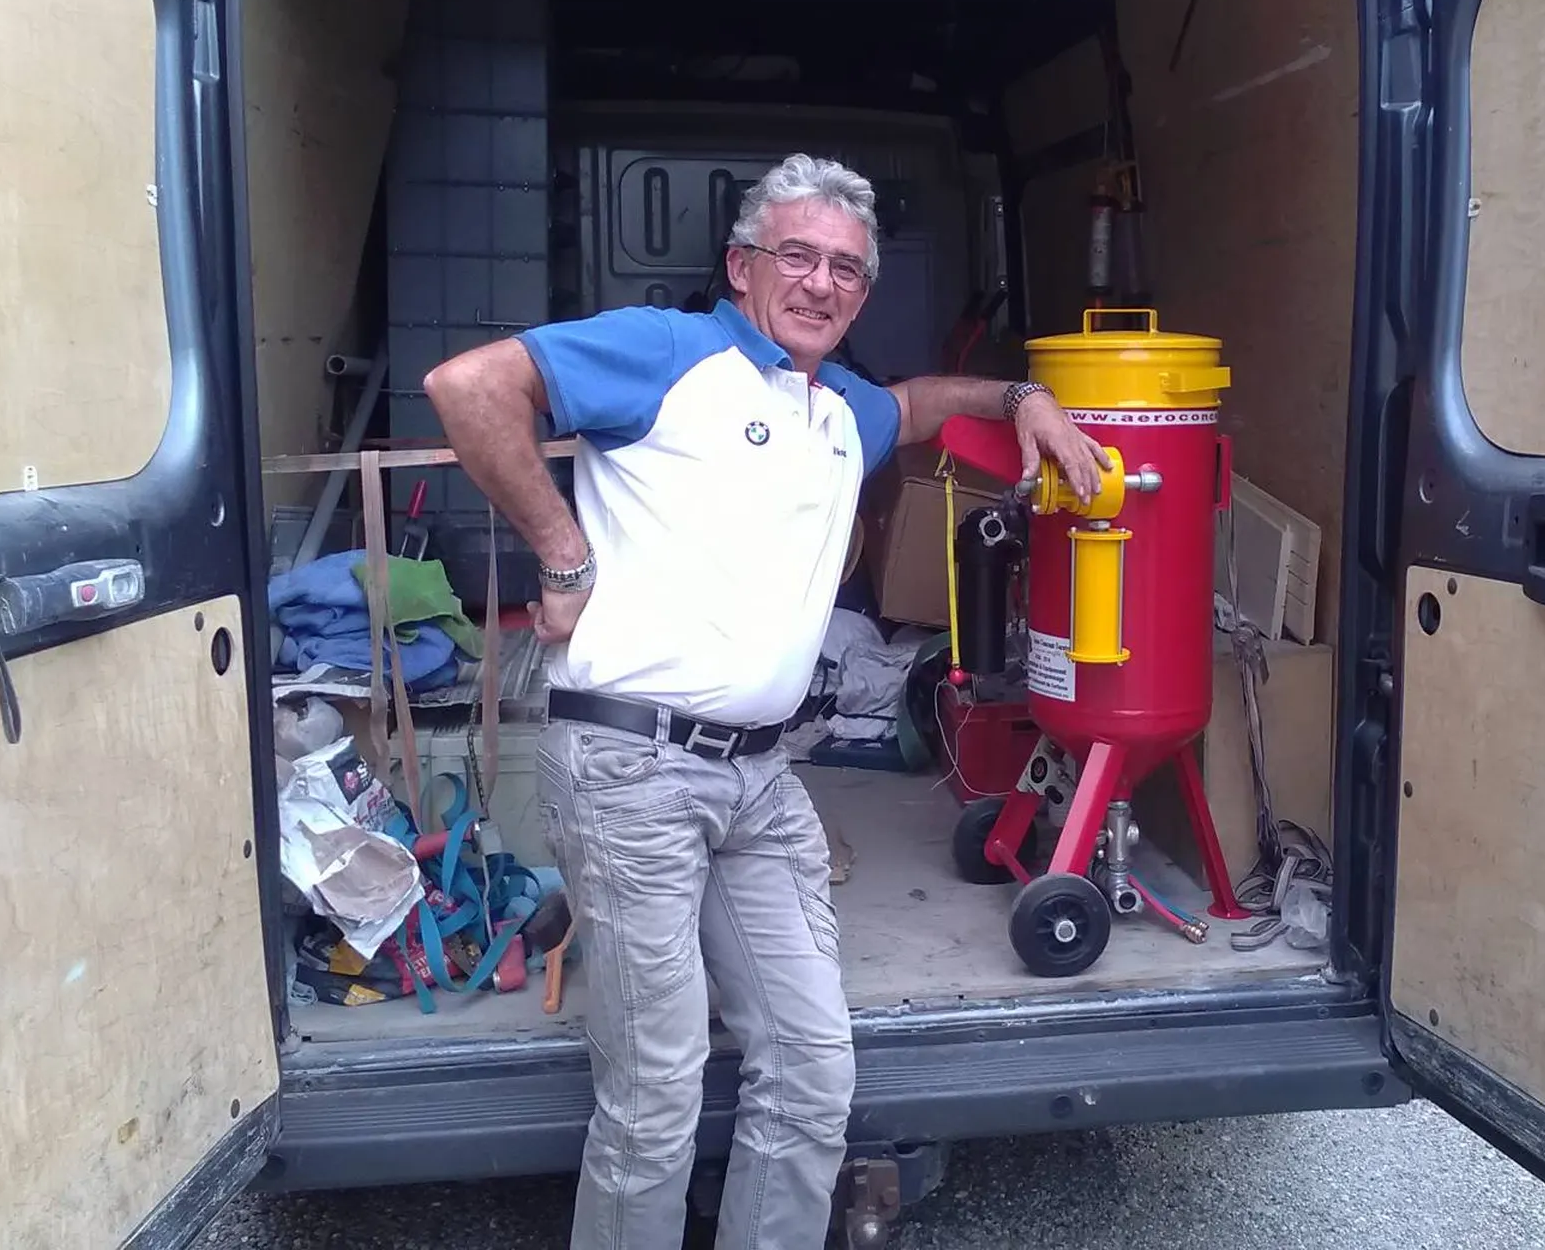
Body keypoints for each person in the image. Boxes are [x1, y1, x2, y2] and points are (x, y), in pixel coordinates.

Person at [424, 153, 1106, 1250]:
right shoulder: (671, 353)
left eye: (846, 268)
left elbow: (921, 403)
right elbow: (468, 387)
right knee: (655, 1096)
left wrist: (1025, 398)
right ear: (742, 266)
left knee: (812, 1066)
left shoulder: (838, 410)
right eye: (797, 255)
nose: (821, 283)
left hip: (761, 777)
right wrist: (561, 553)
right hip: (632, 770)